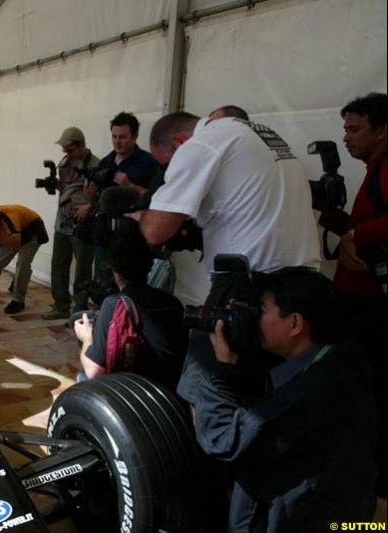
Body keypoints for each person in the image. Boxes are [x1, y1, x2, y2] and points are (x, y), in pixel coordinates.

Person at [131, 111, 321, 403]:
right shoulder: (263, 135)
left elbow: (156, 231)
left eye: (167, 166)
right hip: (303, 285)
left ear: (179, 141)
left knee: (201, 394)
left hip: (248, 287)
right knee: (269, 394)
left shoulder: (203, 143)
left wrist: (143, 215)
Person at [195, 268, 376, 532]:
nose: (253, 318)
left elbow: (223, 439)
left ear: (294, 324)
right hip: (348, 516)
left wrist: (222, 370)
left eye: (261, 310)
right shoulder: (344, 359)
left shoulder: (311, 392)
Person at [334, 92, 387, 498]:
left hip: (371, 303)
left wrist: (357, 236)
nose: (347, 138)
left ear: (383, 130)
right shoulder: (374, 169)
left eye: (355, 129)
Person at [74, 228, 187, 391]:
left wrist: (86, 338)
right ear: (149, 267)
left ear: (114, 270)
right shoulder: (173, 302)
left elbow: (94, 372)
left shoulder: (114, 304)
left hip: (135, 392)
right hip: (169, 390)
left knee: (82, 377)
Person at [90, 112, 159, 273]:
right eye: (114, 137)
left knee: (130, 285)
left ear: (135, 137)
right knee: (102, 283)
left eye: (122, 137)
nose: (117, 142)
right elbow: (99, 202)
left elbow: (158, 198)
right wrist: (90, 198)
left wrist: (131, 186)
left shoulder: (149, 163)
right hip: (105, 234)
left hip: (133, 237)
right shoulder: (105, 163)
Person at [44, 127, 100, 320]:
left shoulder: (96, 165)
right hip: (62, 224)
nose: (65, 153)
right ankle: (60, 305)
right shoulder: (64, 163)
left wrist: (90, 207)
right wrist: (53, 184)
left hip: (83, 226)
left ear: (81, 145)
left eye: (69, 149)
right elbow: (66, 188)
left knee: (83, 270)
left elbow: (104, 195)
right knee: (58, 267)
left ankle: (81, 309)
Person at [0, 200, 49, 314]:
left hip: (32, 232)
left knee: (22, 264)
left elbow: (16, 244)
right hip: (11, 234)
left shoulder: (10, 216)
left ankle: (18, 300)